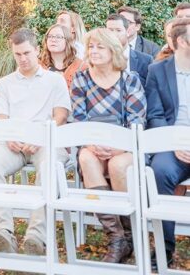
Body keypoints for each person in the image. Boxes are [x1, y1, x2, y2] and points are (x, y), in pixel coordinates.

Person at [0, 27, 70, 256]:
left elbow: (61, 115)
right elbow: (1, 115)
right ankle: (3, 230)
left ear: (37, 51)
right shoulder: (5, 83)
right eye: (17, 55)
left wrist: (40, 136)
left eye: (26, 53)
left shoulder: (55, 80)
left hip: (46, 141)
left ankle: (36, 236)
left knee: (48, 166)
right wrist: (8, 135)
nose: (22, 59)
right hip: (15, 143)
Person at [71, 28, 146, 263]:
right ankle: (116, 238)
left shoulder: (129, 79)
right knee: (85, 158)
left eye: (99, 47)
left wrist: (117, 148)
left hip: (125, 147)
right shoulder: (81, 79)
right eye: (90, 47)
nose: (93, 51)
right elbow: (79, 119)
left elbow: (137, 121)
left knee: (117, 165)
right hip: (93, 144)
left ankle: (130, 232)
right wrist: (92, 144)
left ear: (113, 50)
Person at [146, 17, 190, 271]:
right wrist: (174, 142)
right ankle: (165, 246)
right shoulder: (157, 71)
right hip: (172, 143)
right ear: (182, 41)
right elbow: (155, 115)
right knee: (159, 171)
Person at [105, 13, 152, 82]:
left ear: (127, 32)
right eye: (110, 30)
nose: (114, 34)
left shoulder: (145, 61)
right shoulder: (98, 58)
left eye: (118, 30)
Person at [39, 24, 82, 90]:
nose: (53, 40)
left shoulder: (80, 66)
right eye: (50, 36)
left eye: (58, 37)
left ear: (67, 41)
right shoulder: (37, 65)